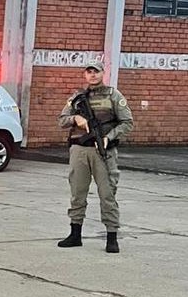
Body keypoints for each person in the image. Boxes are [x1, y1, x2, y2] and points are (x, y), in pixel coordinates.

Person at [56, 59, 134, 253]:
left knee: (108, 193)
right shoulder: (77, 97)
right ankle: (75, 234)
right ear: (85, 74)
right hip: (80, 150)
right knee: (77, 192)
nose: (92, 75)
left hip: (104, 151)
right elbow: (62, 120)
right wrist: (77, 118)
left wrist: (109, 137)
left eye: (96, 71)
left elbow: (127, 122)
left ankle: (112, 236)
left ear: (102, 73)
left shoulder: (113, 95)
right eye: (89, 71)